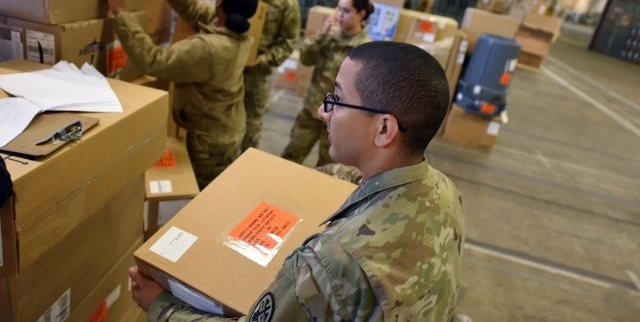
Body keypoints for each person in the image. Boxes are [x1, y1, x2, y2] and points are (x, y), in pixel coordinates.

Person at [129, 40, 465, 321]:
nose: (323, 111)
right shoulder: (443, 190)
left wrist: (161, 306)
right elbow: (354, 179)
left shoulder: (330, 264)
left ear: (384, 129)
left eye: (337, 100)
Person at [102, 0, 259, 190]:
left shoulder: (208, 49)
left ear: (219, 2)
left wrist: (120, 12)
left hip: (212, 140)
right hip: (224, 127)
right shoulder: (240, 34)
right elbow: (193, 8)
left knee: (206, 194)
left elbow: (153, 60)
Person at [281, 0, 373, 167]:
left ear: (361, 14)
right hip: (312, 109)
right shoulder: (329, 36)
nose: (340, 15)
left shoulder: (365, 48)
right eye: (339, 9)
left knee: (328, 167)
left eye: (346, 11)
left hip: (338, 118)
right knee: (291, 156)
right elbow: (306, 59)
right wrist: (321, 35)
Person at [235, 0, 301, 151]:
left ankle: (243, 165)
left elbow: (288, 42)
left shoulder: (287, 2)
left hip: (257, 74)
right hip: (229, 63)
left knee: (250, 127)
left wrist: (263, 60)